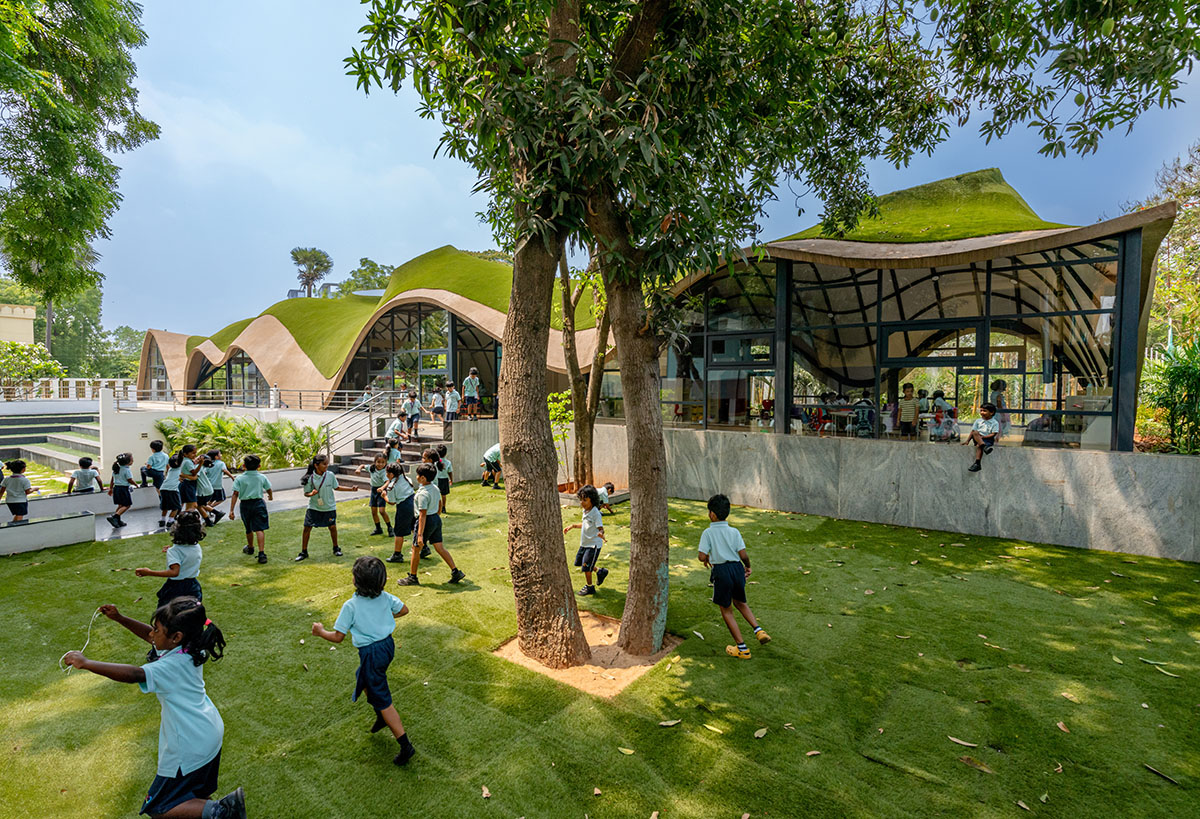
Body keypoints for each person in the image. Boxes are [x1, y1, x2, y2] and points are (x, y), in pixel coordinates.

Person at [62, 599, 245, 819]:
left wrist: (87, 663)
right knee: (192, 797)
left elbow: (135, 674)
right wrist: (120, 618)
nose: (152, 634)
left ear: (176, 637)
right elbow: (155, 639)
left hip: (188, 744)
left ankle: (223, 811)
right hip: (208, 731)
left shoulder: (170, 665)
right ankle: (216, 811)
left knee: (160, 808)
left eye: (156, 630)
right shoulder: (190, 648)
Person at [311, 556, 416, 767]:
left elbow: (338, 637)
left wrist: (320, 631)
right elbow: (404, 610)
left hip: (371, 653)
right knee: (363, 677)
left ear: (355, 581)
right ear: (382, 581)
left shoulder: (351, 606)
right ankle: (381, 716)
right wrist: (383, 619)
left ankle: (405, 745)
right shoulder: (385, 597)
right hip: (387, 647)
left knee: (382, 698)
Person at [697, 493, 770, 659]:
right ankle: (758, 630)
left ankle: (742, 649)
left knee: (727, 610)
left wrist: (707, 557)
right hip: (737, 569)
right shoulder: (734, 532)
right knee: (740, 602)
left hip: (722, 572)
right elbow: (743, 554)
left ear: (712, 514)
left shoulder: (708, 533)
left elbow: (701, 556)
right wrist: (748, 567)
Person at [397, 463, 465, 586]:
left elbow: (422, 515)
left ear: (423, 478)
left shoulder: (422, 494)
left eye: (418, 475)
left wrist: (420, 535)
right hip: (435, 519)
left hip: (426, 520)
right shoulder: (435, 488)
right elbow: (439, 504)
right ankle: (455, 571)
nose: (416, 476)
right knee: (439, 547)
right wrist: (436, 516)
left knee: (415, 549)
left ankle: (412, 577)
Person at [295, 454, 358, 562]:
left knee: (332, 527)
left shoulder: (330, 475)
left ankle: (336, 548)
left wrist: (351, 489)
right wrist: (311, 494)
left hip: (329, 507)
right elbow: (306, 493)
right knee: (307, 528)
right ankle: (304, 552)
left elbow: (336, 487)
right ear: (316, 465)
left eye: (327, 464)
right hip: (314, 507)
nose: (327, 466)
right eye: (324, 464)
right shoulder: (310, 478)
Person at [137, 510, 205, 608]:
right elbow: (187, 556)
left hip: (175, 588)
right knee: (191, 612)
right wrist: (172, 551)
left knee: (166, 613)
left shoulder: (174, 551)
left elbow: (174, 572)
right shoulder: (196, 547)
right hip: (193, 587)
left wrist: (149, 572)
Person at [228, 455, 273, 564]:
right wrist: (270, 496)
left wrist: (231, 510)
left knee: (248, 528)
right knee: (259, 529)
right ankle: (261, 553)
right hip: (258, 504)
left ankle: (250, 547)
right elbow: (268, 488)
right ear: (259, 466)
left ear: (244, 466)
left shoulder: (239, 478)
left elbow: (235, 494)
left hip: (245, 505)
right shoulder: (261, 477)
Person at [565, 484, 607, 596]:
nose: (582, 503)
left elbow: (601, 528)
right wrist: (573, 526)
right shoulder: (585, 511)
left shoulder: (596, 513)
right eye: (581, 500)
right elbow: (585, 524)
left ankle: (590, 587)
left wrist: (601, 534)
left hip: (593, 545)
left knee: (586, 568)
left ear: (592, 500)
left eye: (585, 500)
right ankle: (600, 571)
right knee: (581, 563)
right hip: (584, 544)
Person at [381, 462, 415, 565]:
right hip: (414, 504)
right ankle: (423, 548)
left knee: (399, 532)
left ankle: (397, 554)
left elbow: (392, 502)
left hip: (404, 507)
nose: (386, 474)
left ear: (391, 474)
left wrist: (384, 496)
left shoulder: (391, 486)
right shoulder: (407, 479)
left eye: (387, 473)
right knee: (414, 527)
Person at [357, 454, 393, 537]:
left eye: (383, 462)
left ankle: (390, 528)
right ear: (375, 462)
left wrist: (382, 488)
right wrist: (358, 469)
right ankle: (378, 528)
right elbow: (362, 465)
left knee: (382, 511)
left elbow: (387, 481)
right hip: (374, 491)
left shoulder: (385, 471)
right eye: (378, 462)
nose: (380, 464)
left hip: (382, 492)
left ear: (386, 463)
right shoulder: (372, 468)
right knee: (373, 511)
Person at [965, 402, 1000, 473]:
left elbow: (993, 434)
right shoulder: (978, 421)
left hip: (987, 439)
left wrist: (984, 436)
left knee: (979, 445)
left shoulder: (995, 423)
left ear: (991, 412)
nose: (982, 412)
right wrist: (967, 441)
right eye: (981, 410)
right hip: (978, 438)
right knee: (975, 432)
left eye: (984, 411)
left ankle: (977, 463)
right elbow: (973, 432)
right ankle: (984, 447)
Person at [107, 452, 136, 528]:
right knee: (127, 505)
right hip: (123, 489)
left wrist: (110, 488)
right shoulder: (126, 470)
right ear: (128, 462)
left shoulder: (116, 469)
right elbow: (129, 480)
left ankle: (117, 521)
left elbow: (112, 480)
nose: (133, 461)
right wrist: (135, 484)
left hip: (116, 488)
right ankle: (115, 516)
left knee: (120, 505)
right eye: (132, 460)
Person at [159, 454, 184, 530]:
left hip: (163, 488)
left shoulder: (170, 469)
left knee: (165, 506)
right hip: (173, 489)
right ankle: (170, 520)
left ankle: (162, 520)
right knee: (176, 507)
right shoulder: (181, 470)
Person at [178, 445, 202, 511]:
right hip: (188, 484)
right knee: (192, 504)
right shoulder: (187, 461)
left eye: (195, 453)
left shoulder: (188, 461)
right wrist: (200, 464)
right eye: (193, 453)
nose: (195, 455)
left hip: (188, 483)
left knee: (190, 504)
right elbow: (194, 473)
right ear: (185, 454)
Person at [434, 444, 452, 514]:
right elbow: (450, 472)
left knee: (436, 494)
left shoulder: (435, 463)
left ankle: (437, 507)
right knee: (443, 495)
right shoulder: (448, 462)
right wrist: (451, 479)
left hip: (436, 480)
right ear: (445, 453)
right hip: (444, 480)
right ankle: (443, 507)